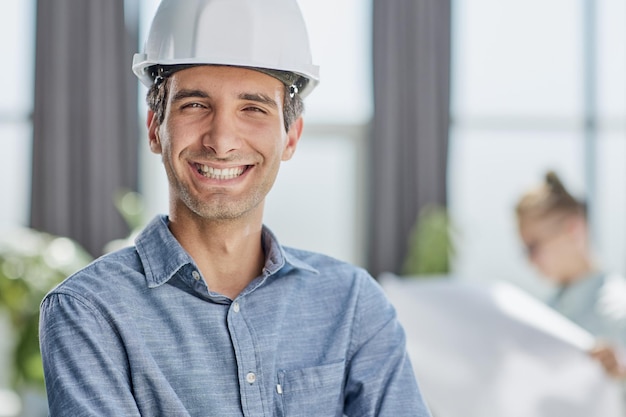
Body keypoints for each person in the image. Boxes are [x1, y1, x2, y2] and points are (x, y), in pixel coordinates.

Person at [38, 0, 432, 416]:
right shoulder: (89, 312)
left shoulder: (352, 304)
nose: (222, 140)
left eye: (253, 109)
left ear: (291, 136)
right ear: (155, 128)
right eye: (194, 105)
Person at [515, 171, 626, 381]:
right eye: (525, 250)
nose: (530, 260)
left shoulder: (618, 310)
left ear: (573, 229)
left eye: (534, 246)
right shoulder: (545, 313)